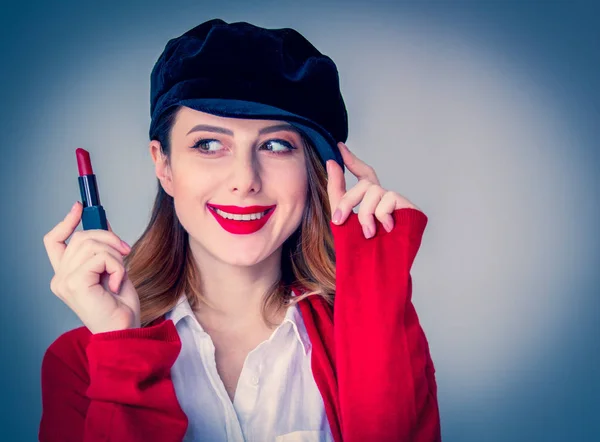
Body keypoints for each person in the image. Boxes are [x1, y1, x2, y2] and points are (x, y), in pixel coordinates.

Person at [39, 19, 441, 442]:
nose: (245, 180)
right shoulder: (80, 363)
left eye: (276, 145)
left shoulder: (368, 335)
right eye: (209, 144)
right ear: (164, 165)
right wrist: (121, 350)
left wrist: (377, 285)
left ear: (316, 172)